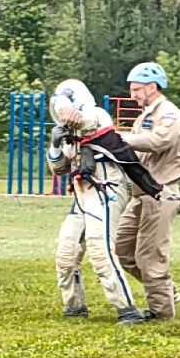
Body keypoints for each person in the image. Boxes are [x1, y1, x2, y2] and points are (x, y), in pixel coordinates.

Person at [47, 79, 145, 324]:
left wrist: (66, 113)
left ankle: (127, 309)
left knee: (100, 250)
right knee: (66, 251)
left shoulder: (98, 116)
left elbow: (86, 122)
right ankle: (74, 305)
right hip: (83, 194)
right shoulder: (70, 134)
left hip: (106, 190)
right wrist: (56, 144)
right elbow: (59, 169)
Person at [113, 61, 180, 324]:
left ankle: (162, 314)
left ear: (152, 87)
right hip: (140, 193)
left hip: (160, 192)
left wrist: (120, 138)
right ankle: (166, 291)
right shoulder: (144, 116)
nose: (132, 95)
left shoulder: (168, 113)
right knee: (122, 250)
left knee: (149, 255)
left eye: (136, 90)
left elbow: (159, 141)